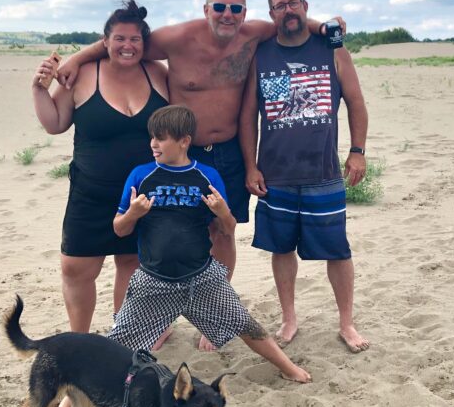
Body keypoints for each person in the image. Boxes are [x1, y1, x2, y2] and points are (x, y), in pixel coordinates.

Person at [57, 0, 343, 351]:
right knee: (166, 231)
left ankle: (213, 316)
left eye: (236, 9)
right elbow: (128, 42)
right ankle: (157, 317)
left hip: (228, 152)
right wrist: (78, 58)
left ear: (245, 11)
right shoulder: (177, 38)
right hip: (183, 153)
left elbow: (291, 19)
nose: (229, 15)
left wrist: (325, 27)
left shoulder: (252, 32)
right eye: (220, 8)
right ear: (206, 9)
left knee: (223, 233)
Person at [32, 0, 169, 407]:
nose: (127, 46)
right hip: (89, 195)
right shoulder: (82, 74)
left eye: (135, 39)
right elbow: (55, 123)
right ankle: (76, 367)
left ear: (144, 43)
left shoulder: (158, 75)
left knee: (130, 264)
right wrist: (39, 89)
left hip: (140, 197)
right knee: (77, 269)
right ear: (105, 41)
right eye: (118, 38)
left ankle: (119, 353)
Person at [108, 104, 311, 383]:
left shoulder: (207, 176)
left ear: (184, 141)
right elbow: (119, 230)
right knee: (117, 342)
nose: (153, 144)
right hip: (152, 279)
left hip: (202, 276)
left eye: (161, 138)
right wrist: (133, 214)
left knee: (245, 323)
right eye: (152, 137)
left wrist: (223, 211)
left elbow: (228, 230)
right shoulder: (141, 175)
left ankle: (290, 369)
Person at [239, 0, 370, 353]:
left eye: (293, 3)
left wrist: (357, 151)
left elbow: (356, 104)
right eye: (279, 6)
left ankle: (346, 322)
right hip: (276, 173)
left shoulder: (332, 48)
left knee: (337, 250)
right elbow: (248, 117)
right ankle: (289, 317)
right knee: (282, 249)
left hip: (323, 172)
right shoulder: (261, 54)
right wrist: (252, 165)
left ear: (305, 6)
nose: (287, 11)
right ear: (271, 14)